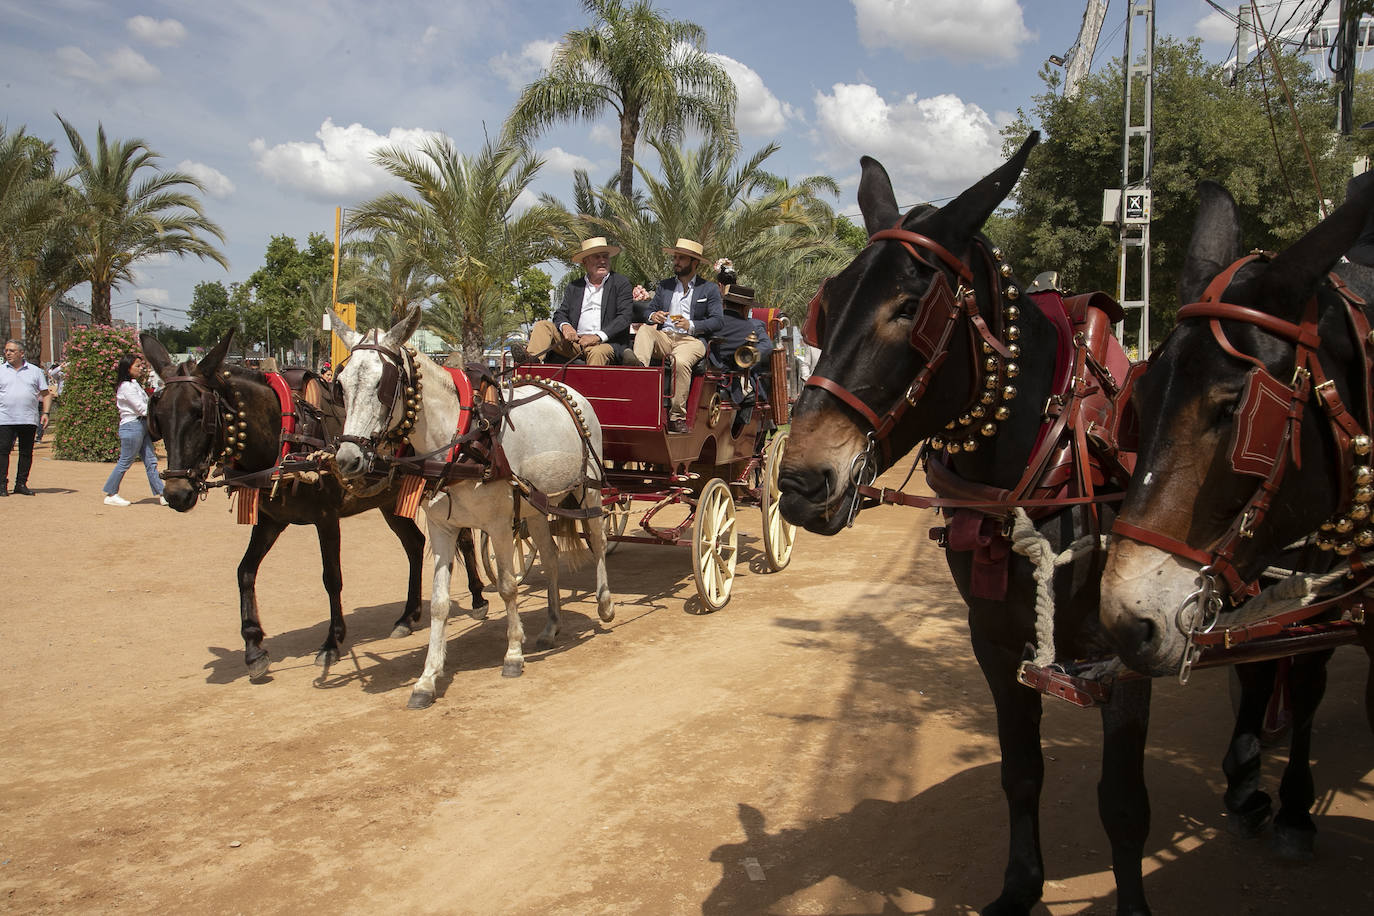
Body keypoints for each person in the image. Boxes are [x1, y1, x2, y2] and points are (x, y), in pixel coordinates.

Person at [632, 237, 724, 433]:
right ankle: (639, 381)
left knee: (679, 361)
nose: (676, 262)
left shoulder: (708, 289)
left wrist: (691, 325)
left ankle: (676, 416)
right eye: (675, 258)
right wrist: (653, 315)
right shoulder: (665, 286)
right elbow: (648, 311)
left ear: (694, 262)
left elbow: (718, 321)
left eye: (681, 258)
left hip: (691, 340)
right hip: (665, 336)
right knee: (645, 330)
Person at [522, 237, 637, 366]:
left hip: (605, 344)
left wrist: (597, 337)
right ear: (585, 262)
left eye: (605, 256)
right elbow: (560, 313)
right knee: (543, 325)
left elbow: (624, 317)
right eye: (597, 257)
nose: (602, 261)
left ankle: (590, 380)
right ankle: (530, 362)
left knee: (597, 353)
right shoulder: (575, 286)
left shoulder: (621, 283)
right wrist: (566, 327)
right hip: (575, 342)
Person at [707, 285, 775, 437]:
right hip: (730, 381)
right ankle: (738, 435)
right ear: (745, 308)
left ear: (724, 304)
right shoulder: (749, 327)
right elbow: (767, 347)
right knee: (751, 395)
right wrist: (747, 360)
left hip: (707, 377)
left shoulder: (710, 322)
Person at [102, 354, 167, 508]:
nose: (141, 368)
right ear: (128, 368)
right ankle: (111, 494)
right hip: (132, 426)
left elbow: (146, 404)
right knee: (125, 461)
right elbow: (141, 408)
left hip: (141, 425)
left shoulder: (134, 384)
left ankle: (163, 494)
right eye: (137, 366)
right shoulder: (125, 387)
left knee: (151, 461)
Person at [0, 339, 51, 496]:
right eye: (6, 350)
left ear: (21, 353)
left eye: (12, 351)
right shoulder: (1, 370)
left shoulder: (35, 371)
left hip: (28, 419)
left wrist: (46, 413)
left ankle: (21, 484)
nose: (8, 353)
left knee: (26, 452)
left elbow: (46, 394)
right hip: (4, 419)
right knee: (2, 452)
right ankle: (2, 485)